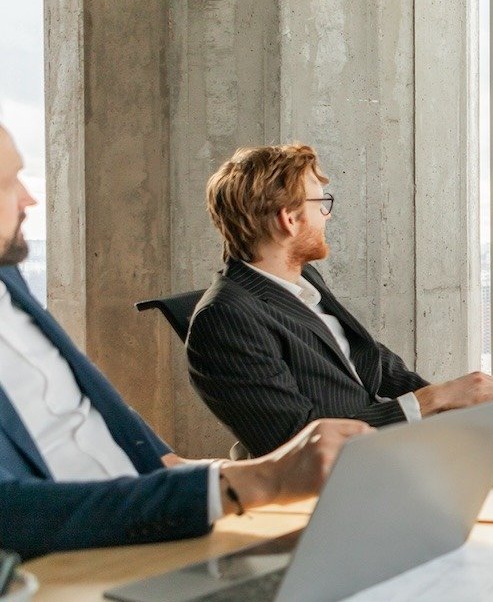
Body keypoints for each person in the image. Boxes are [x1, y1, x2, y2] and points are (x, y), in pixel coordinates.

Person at [0, 125, 369, 561]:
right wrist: (250, 484)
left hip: (159, 517)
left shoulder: (9, 278)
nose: (29, 198)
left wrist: (222, 478)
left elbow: (133, 444)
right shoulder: (229, 314)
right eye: (7, 183)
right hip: (69, 560)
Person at [187, 144, 493, 456]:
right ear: (289, 219)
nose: (328, 215)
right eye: (321, 203)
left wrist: (452, 406)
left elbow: (368, 358)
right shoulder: (224, 318)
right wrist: (431, 401)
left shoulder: (305, 279)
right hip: (338, 480)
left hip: (388, 450)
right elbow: (297, 444)